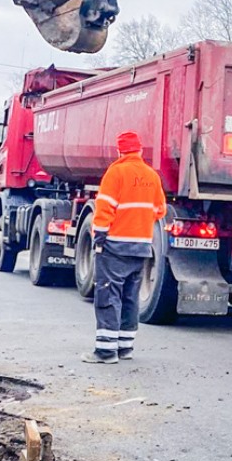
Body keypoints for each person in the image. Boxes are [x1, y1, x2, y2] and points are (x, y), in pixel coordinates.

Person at [82, 131, 167, 364]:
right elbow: (160, 210)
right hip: (141, 247)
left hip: (115, 245)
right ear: (139, 151)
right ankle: (125, 347)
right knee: (130, 297)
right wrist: (139, 221)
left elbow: (105, 208)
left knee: (109, 294)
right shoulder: (152, 176)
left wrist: (99, 237)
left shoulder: (116, 172)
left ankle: (105, 351)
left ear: (119, 151)